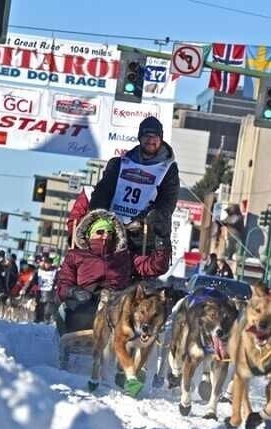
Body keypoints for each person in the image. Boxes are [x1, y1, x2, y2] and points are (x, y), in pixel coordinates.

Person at [55, 210, 170, 333]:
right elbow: (63, 284)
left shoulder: (124, 256)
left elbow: (155, 267)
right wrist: (73, 291)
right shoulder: (76, 256)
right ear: (89, 234)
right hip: (86, 300)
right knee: (77, 311)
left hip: (116, 301)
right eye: (100, 232)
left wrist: (162, 244)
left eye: (109, 232)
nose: (105, 236)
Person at [89, 116, 179, 252]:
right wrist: (100, 218)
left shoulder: (168, 169)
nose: (151, 140)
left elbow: (167, 204)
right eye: (146, 136)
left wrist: (144, 220)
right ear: (139, 138)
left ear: (161, 139)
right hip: (112, 232)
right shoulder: (118, 164)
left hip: (145, 239)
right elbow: (101, 194)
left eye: (155, 136)